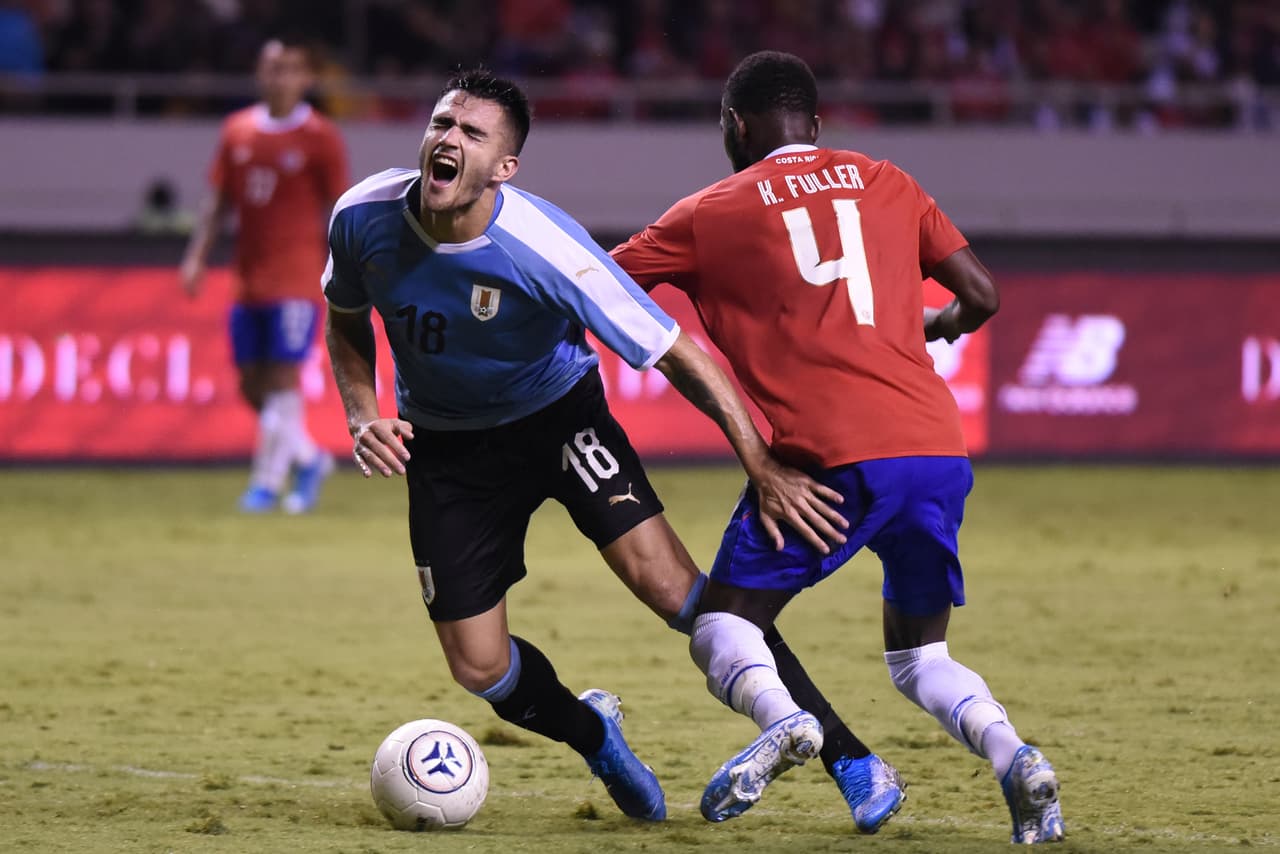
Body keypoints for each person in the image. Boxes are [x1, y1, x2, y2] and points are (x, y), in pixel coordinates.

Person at [322, 68, 895, 823]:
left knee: (684, 597)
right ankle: (594, 733)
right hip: (448, 451)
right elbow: (344, 319)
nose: (447, 140)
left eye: (471, 133)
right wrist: (363, 415)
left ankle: (851, 757)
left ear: (504, 168)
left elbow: (675, 350)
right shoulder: (361, 217)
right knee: (480, 667)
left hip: (559, 422)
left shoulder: (544, 246)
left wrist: (758, 461)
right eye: (440, 125)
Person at [611, 51, 1066, 844]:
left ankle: (788, 724)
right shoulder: (887, 179)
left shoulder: (709, 210)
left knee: (724, 624)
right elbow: (983, 295)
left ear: (735, 126)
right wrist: (928, 325)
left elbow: (601, 287)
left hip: (830, 460)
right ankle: (1014, 755)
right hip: (934, 449)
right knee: (921, 657)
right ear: (816, 126)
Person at [181, 38, 350, 514]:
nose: (280, 78)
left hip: (296, 278)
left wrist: (346, 266)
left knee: (282, 378)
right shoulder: (237, 131)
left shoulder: (320, 136)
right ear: (260, 74)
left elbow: (339, 208)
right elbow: (218, 202)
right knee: (250, 385)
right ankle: (310, 457)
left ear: (305, 78)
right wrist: (196, 255)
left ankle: (266, 482)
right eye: (272, 68)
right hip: (248, 278)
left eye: (289, 69)